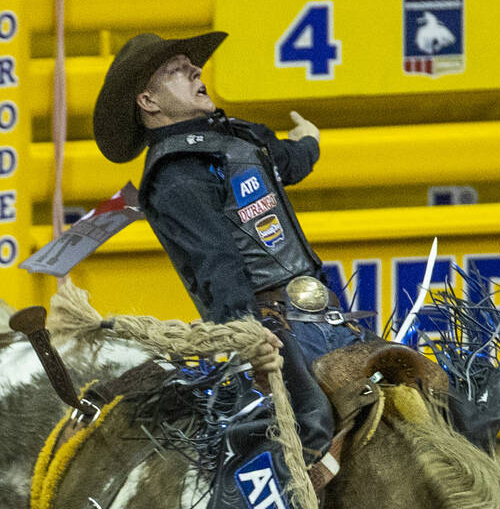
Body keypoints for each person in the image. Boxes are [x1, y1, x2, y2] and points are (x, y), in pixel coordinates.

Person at [93, 31, 366, 460]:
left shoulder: (236, 138)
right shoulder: (176, 177)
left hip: (318, 317)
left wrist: (309, 141)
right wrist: (249, 338)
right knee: (309, 426)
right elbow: (216, 266)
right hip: (274, 330)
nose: (196, 70)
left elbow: (288, 162)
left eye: (191, 65)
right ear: (149, 102)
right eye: (176, 70)